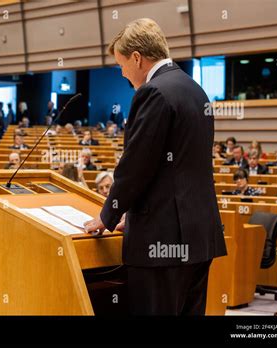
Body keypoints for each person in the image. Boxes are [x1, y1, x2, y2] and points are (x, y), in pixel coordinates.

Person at [84, 18, 226, 316]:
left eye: (122, 65)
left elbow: (136, 166)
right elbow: (170, 170)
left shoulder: (153, 92)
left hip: (162, 242)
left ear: (137, 57)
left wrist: (108, 215)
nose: (123, 74)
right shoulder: (195, 90)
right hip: (199, 237)